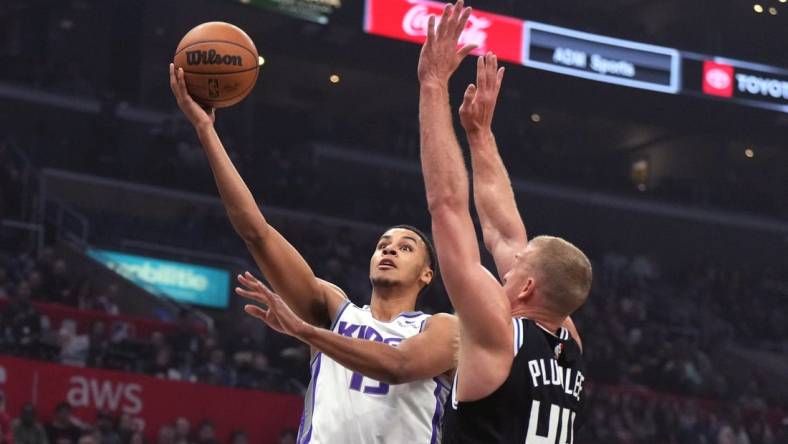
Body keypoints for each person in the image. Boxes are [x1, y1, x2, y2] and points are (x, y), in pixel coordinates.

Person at [169, 60, 457, 441]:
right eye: (382, 245)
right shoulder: (333, 310)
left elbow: (399, 366)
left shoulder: (441, 328)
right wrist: (205, 131)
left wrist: (303, 331)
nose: (389, 251)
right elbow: (256, 232)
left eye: (406, 247)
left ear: (426, 274)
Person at [415, 3, 592, 442]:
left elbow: (448, 208)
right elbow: (504, 232)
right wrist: (480, 135)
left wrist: (433, 85)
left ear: (528, 287)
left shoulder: (497, 332)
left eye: (517, 268)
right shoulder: (568, 338)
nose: (507, 267)